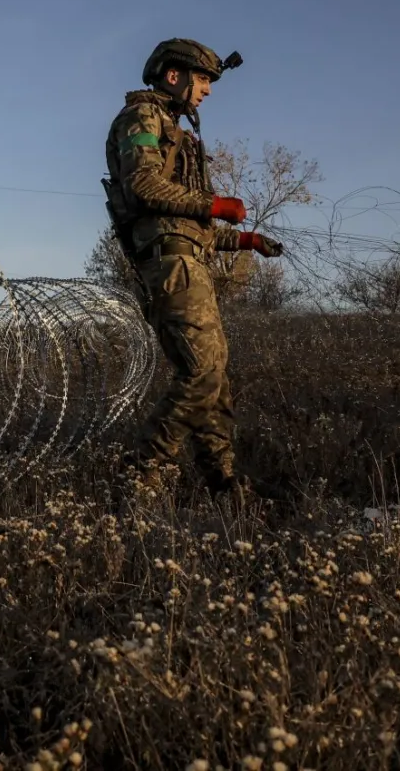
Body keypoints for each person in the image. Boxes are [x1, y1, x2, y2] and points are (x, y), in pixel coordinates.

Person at [100, 38, 283, 500]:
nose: (207, 90)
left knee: (215, 375)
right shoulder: (141, 119)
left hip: (189, 258)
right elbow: (143, 185)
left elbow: (191, 221)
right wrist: (217, 204)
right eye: (202, 79)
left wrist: (244, 240)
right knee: (201, 372)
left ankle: (220, 480)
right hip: (170, 264)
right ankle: (140, 471)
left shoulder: (176, 132)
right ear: (174, 75)